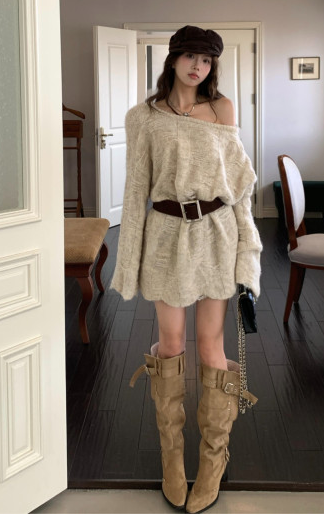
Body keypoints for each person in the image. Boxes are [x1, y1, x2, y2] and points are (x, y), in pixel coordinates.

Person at [111, 25, 262, 513]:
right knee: (172, 344)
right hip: (165, 237)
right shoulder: (143, 117)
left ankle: (213, 459)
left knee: (211, 345)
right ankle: (172, 458)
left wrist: (248, 250)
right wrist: (128, 260)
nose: (198, 66)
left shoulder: (222, 110)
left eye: (207, 60)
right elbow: (135, 190)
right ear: (173, 59)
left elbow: (239, 187)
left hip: (216, 233)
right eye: (191, 56)